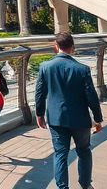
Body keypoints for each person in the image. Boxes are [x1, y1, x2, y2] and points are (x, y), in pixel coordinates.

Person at [35, 32, 103, 189]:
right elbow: (91, 96)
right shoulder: (82, 69)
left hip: (56, 119)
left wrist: (39, 114)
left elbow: (40, 93)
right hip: (80, 119)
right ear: (73, 48)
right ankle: (85, 185)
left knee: (60, 154)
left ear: (56, 47)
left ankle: (62, 187)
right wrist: (97, 118)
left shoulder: (45, 67)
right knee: (84, 151)